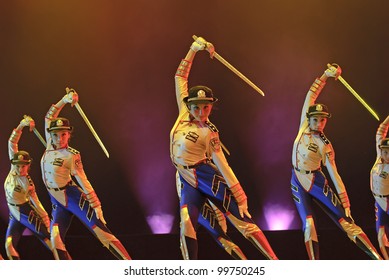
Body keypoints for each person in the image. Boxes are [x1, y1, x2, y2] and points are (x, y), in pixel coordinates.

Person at [171, 36, 278, 260]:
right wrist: (193, 49)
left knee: (240, 220)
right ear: (189, 104)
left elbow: (222, 163)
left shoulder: (210, 132)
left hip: (206, 175)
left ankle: (275, 263)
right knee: (187, 224)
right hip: (185, 177)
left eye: (206, 107)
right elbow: (180, 76)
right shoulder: (183, 112)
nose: (201, 112)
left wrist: (240, 196)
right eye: (197, 107)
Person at [290, 64, 382, 260]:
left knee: (345, 221)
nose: (320, 123)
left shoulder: (326, 145)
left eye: (323, 120)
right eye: (316, 119)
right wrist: (325, 76)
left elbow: (334, 173)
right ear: (310, 118)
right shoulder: (304, 125)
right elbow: (310, 96)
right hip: (296, 180)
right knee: (308, 225)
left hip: (316, 181)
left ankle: (380, 261)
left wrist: (345, 201)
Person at [41, 89, 131, 260]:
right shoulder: (49, 146)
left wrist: (96, 205)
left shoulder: (71, 155)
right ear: (50, 135)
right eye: (55, 135)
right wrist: (65, 100)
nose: (59, 138)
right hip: (56, 201)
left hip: (72, 196)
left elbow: (83, 180)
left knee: (101, 232)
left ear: (69, 135)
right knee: (55, 240)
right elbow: (48, 117)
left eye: (63, 134)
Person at [4, 116, 54, 259]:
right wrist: (22, 125)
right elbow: (12, 142)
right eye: (18, 166)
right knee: (9, 245)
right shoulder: (13, 169)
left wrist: (46, 220)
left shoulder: (28, 184)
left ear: (28, 166)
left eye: (23, 166)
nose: (20, 169)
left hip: (25, 212)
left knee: (46, 239)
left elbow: (36, 203)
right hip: (13, 214)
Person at [176, 172, 247, 259]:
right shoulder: (180, 170)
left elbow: (208, 193)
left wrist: (220, 217)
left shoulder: (191, 170)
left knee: (222, 238)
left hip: (198, 209)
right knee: (185, 240)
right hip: (188, 210)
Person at [370, 115, 389, 259]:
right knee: (380, 234)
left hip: (387, 200)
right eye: (385, 151)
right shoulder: (379, 157)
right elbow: (380, 131)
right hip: (378, 201)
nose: (387, 155)